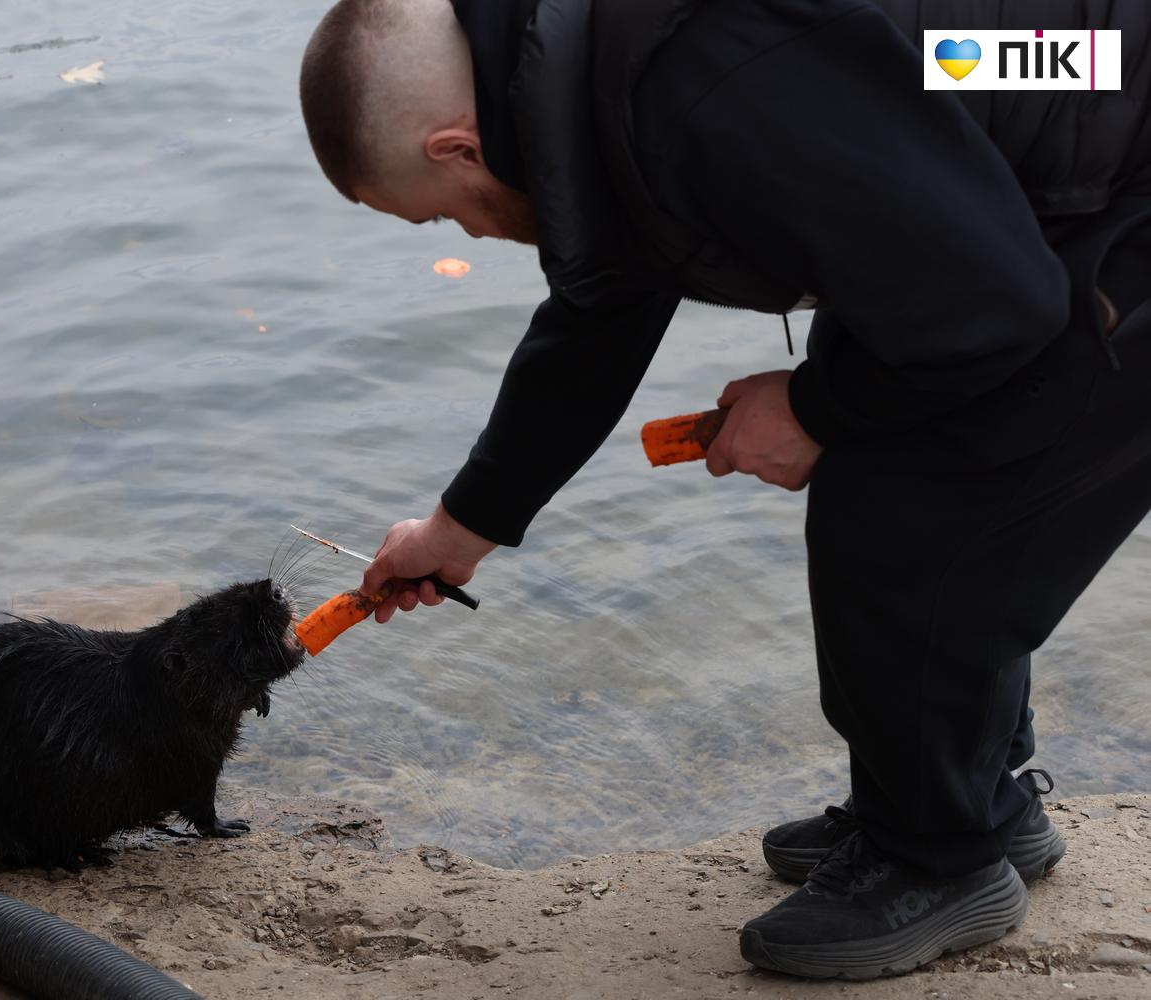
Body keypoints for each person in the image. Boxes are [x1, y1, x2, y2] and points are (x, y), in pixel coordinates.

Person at [298, 0, 1151, 981]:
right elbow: (601, 307)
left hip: (1123, 187)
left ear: (454, 146)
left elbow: (992, 306)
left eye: (447, 213)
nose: (472, 232)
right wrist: (462, 527)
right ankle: (975, 800)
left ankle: (941, 858)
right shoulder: (583, 64)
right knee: (902, 389)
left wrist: (816, 407)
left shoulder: (700, 83)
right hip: (1053, 92)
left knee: (896, 501)